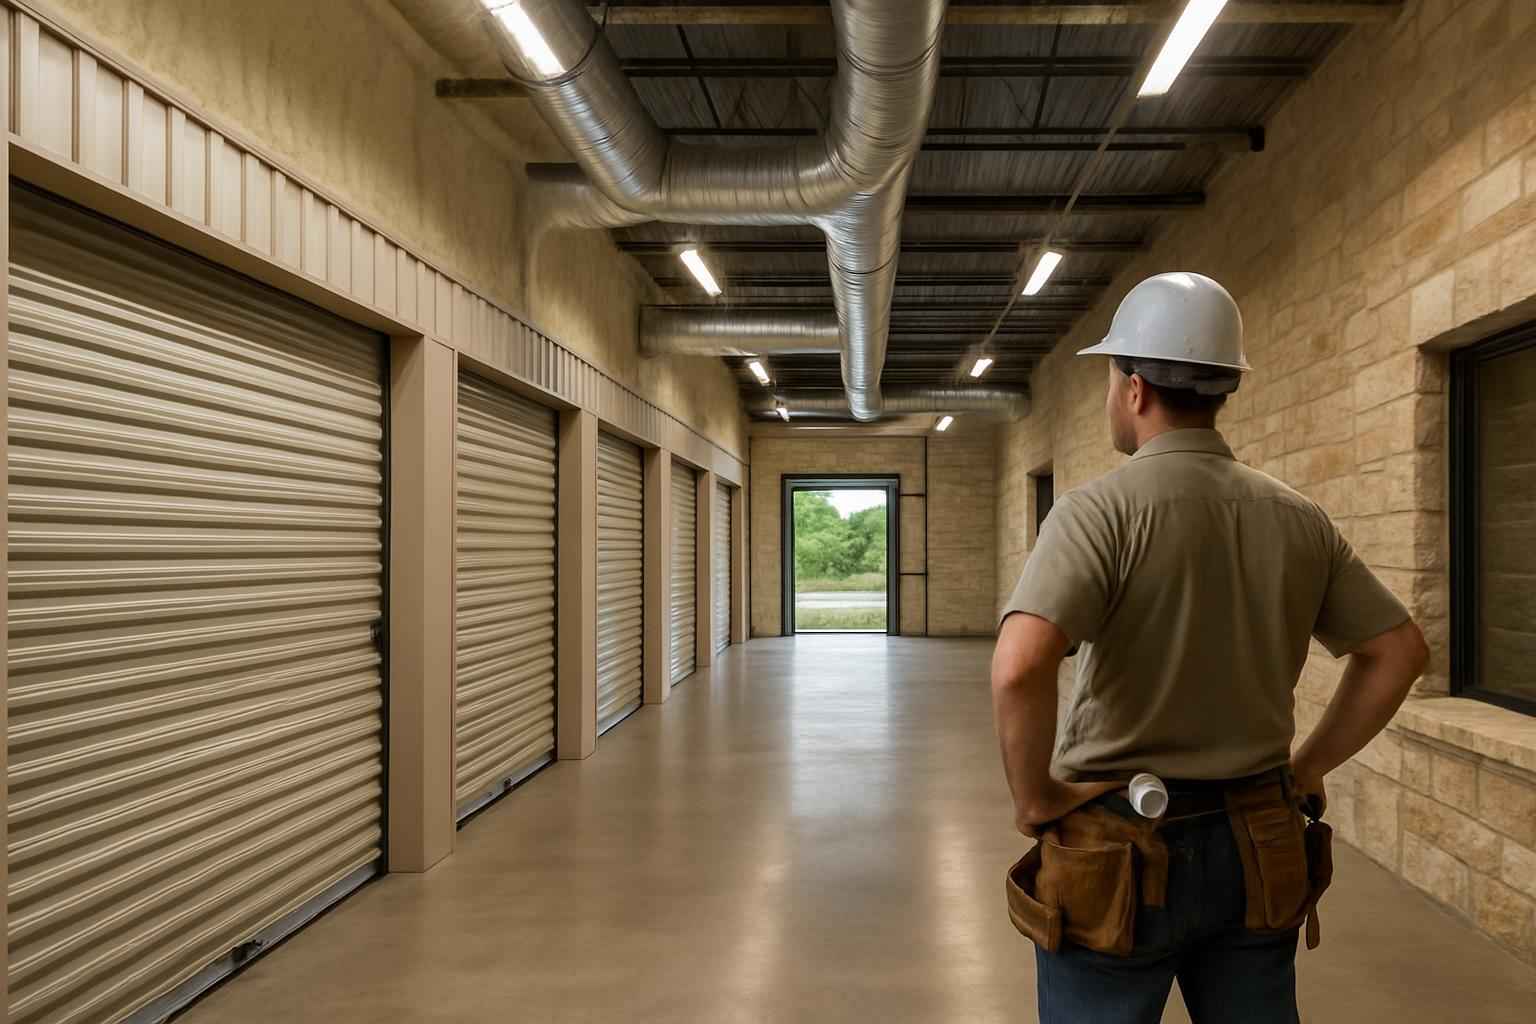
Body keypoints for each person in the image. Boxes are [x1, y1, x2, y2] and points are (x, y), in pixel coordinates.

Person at [991, 272, 1429, 1023]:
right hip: (1258, 843)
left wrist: (1037, 796)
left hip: (1114, 851)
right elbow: (1398, 650)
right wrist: (1306, 768)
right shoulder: (1299, 519)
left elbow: (1021, 665)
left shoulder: (1097, 513)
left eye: (1109, 375)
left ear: (1133, 388)